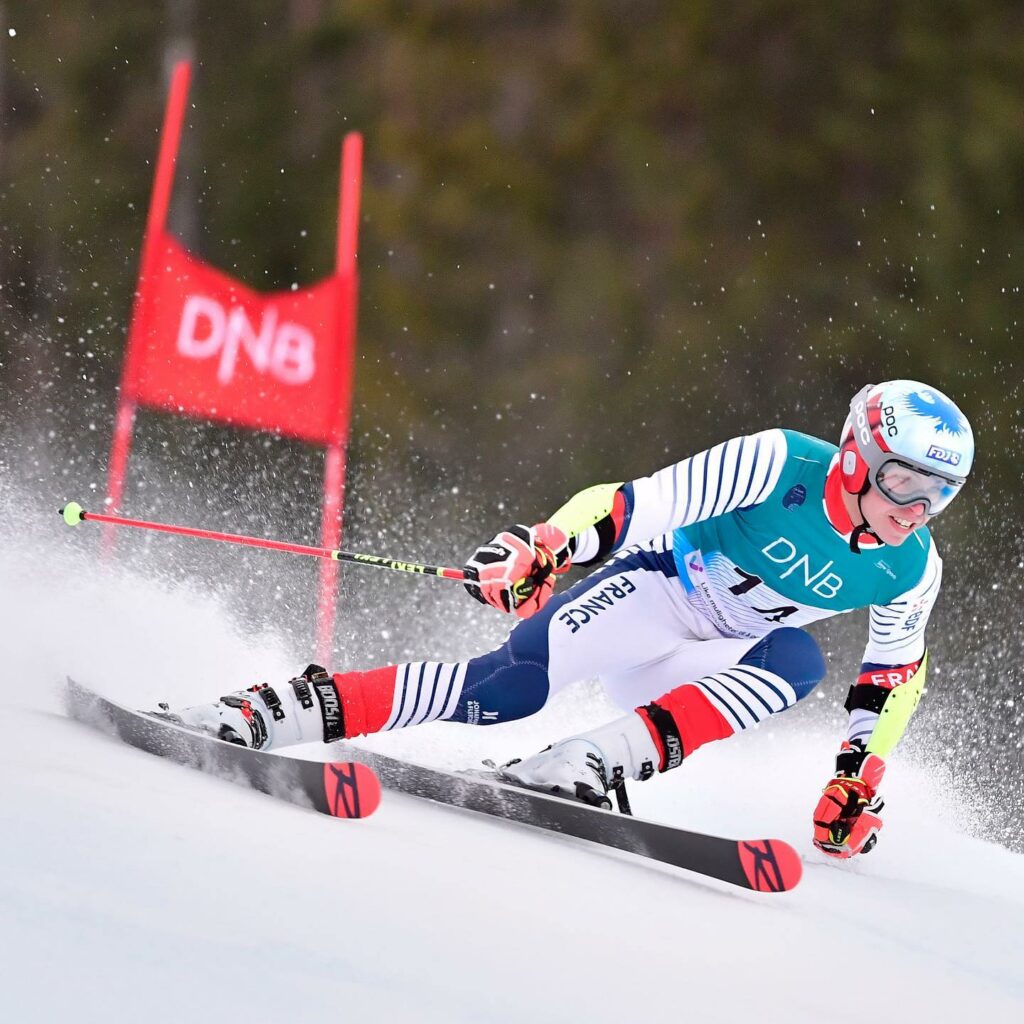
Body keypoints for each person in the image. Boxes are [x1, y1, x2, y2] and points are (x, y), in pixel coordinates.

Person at [167, 379, 973, 859]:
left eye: (939, 495)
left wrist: (859, 774)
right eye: (904, 481)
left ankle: (586, 762)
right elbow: (633, 505)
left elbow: (894, 675)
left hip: (714, 657)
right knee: (506, 689)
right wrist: (548, 545)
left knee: (797, 659)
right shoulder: (778, 461)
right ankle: (272, 711)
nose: (916, 509)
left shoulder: (911, 565)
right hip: (658, 591)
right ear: (857, 456)